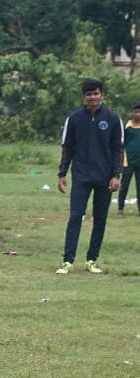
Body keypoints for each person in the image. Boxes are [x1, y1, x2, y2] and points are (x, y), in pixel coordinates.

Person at [56, 78, 123, 274]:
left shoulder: (113, 118)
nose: (92, 97)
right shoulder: (74, 118)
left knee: (100, 219)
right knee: (75, 217)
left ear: (102, 95)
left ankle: (92, 260)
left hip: (105, 177)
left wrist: (116, 175)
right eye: (88, 94)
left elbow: (118, 149)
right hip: (81, 176)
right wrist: (62, 173)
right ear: (84, 97)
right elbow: (67, 147)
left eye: (95, 93)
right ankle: (68, 261)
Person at [117, 102, 140, 216]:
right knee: (124, 186)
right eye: (136, 112)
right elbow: (121, 143)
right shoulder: (127, 126)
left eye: (139, 112)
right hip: (128, 162)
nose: (138, 114)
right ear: (132, 113)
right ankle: (120, 209)